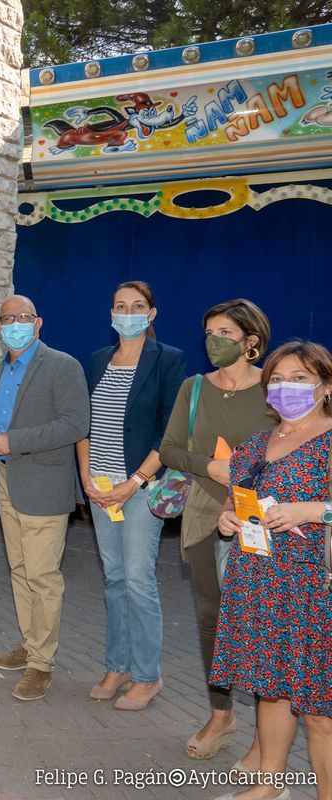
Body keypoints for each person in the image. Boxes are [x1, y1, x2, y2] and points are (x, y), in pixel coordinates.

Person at [211, 341, 332, 800]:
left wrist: (314, 510)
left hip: (315, 589)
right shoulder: (254, 446)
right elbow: (235, 501)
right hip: (261, 583)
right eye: (278, 379)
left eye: (301, 378)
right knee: (272, 689)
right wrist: (226, 518)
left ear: (325, 387)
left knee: (321, 709)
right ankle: (269, 786)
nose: (287, 388)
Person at [160, 298, 273, 760]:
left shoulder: (277, 386)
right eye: (209, 331)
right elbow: (169, 449)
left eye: (225, 333)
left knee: (266, 622)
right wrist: (208, 465)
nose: (213, 340)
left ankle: (269, 736)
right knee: (211, 618)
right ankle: (221, 713)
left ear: (252, 341)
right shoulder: (194, 388)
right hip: (207, 514)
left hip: (265, 519)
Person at [77, 282, 187, 710]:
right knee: (114, 578)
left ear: (152, 314)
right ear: (110, 313)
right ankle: (117, 664)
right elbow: (85, 422)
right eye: (121, 306)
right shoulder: (99, 359)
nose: (128, 312)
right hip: (100, 486)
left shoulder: (168, 360)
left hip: (140, 486)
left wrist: (134, 482)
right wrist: (86, 476)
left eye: (137, 306)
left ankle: (147, 675)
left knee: (139, 581)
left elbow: (169, 431)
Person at [0, 295, 89, 701]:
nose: (14, 324)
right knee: (20, 570)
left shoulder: (62, 365)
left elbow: (75, 424)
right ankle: (30, 645)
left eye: (22, 317)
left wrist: (12, 441)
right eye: (7, 318)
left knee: (42, 576)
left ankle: (42, 664)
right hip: (8, 480)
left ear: (37, 323)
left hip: (44, 484)